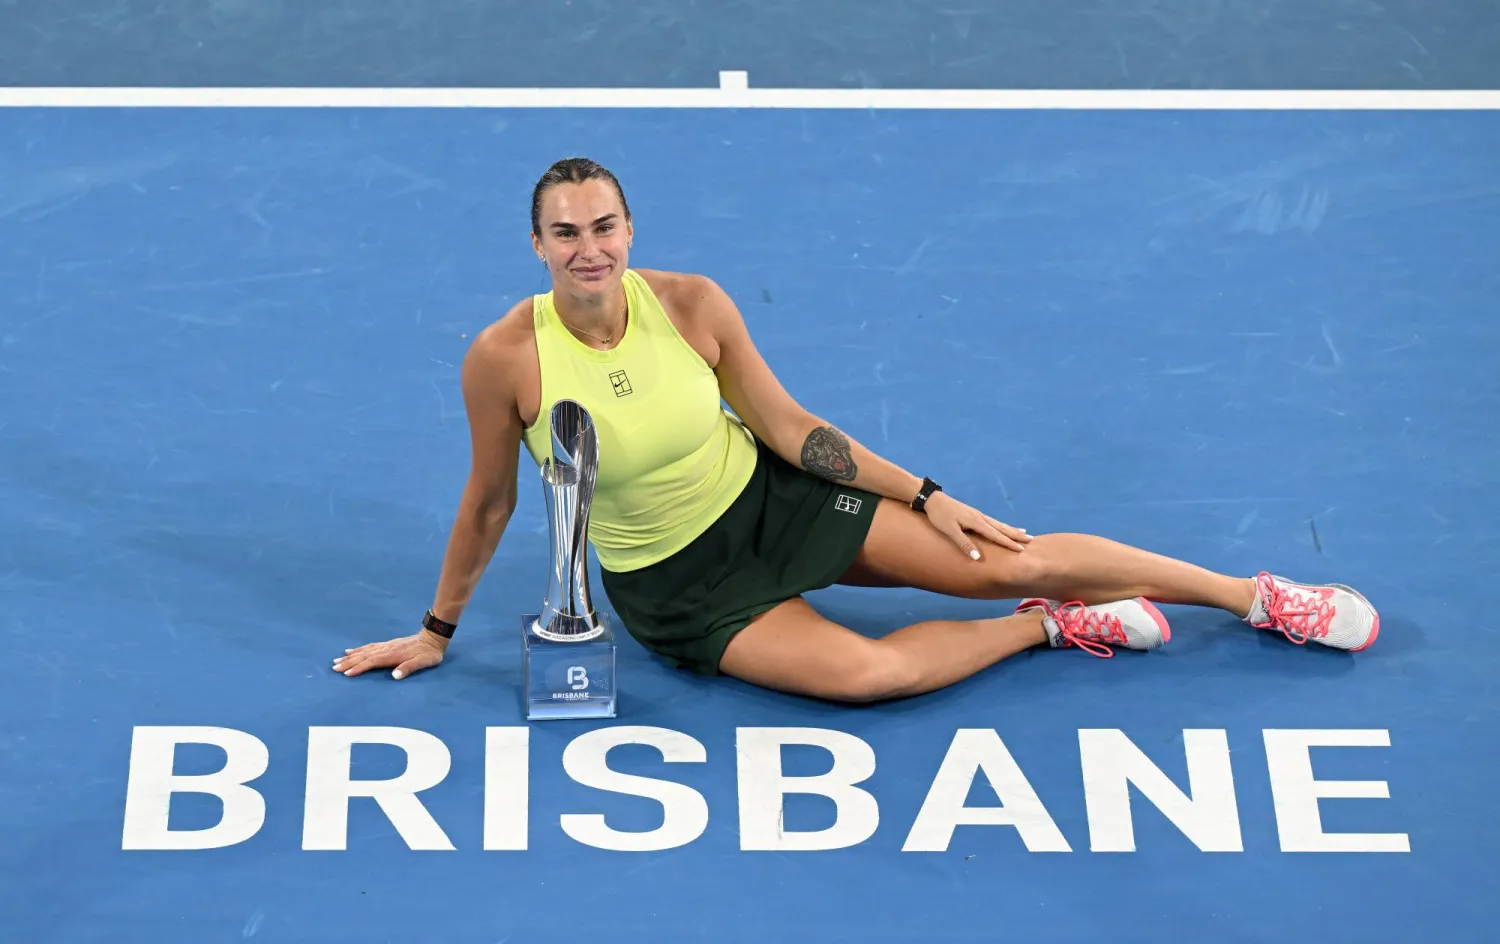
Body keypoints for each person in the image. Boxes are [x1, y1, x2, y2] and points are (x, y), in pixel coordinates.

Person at [332, 157, 1379, 703]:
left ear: (628, 230)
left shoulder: (691, 304)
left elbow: (789, 426)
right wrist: (436, 629)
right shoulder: (505, 357)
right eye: (566, 232)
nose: (588, 246)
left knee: (1004, 555)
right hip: (677, 587)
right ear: (537, 244)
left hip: (773, 502)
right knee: (869, 677)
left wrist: (923, 493)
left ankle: (1258, 596)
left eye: (604, 225)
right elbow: (489, 500)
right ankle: (1053, 627)